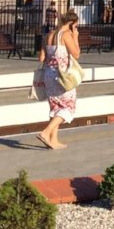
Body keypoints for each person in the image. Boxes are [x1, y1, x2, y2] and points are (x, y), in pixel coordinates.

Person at [37, 10, 81, 149]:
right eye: (76, 26)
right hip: (62, 77)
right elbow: (77, 53)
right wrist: (75, 36)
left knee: (56, 107)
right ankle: (46, 132)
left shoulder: (49, 35)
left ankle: (53, 140)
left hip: (48, 74)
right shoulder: (66, 34)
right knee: (68, 107)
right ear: (71, 24)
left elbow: (41, 58)